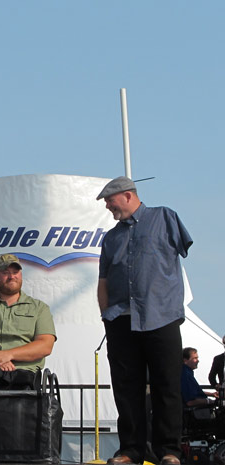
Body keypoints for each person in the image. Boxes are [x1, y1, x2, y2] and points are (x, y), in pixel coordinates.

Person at [97, 176, 193, 465]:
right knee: (126, 388)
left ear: (127, 195)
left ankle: (169, 452)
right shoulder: (111, 237)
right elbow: (102, 280)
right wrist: (106, 318)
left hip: (161, 317)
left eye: (109, 200)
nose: (107, 207)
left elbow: (184, 251)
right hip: (120, 321)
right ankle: (130, 450)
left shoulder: (164, 217)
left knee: (167, 387)